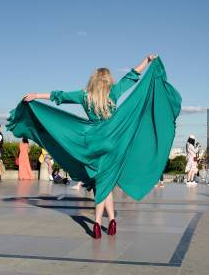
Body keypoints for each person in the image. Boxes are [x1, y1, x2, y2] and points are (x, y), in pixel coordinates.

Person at [14, 54, 180, 239]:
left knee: (101, 183)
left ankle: (101, 223)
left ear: (93, 80)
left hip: (92, 143)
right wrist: (147, 61)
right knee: (104, 184)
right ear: (108, 80)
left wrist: (37, 95)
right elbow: (132, 76)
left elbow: (59, 96)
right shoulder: (114, 93)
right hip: (112, 142)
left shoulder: (85, 96)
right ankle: (107, 222)